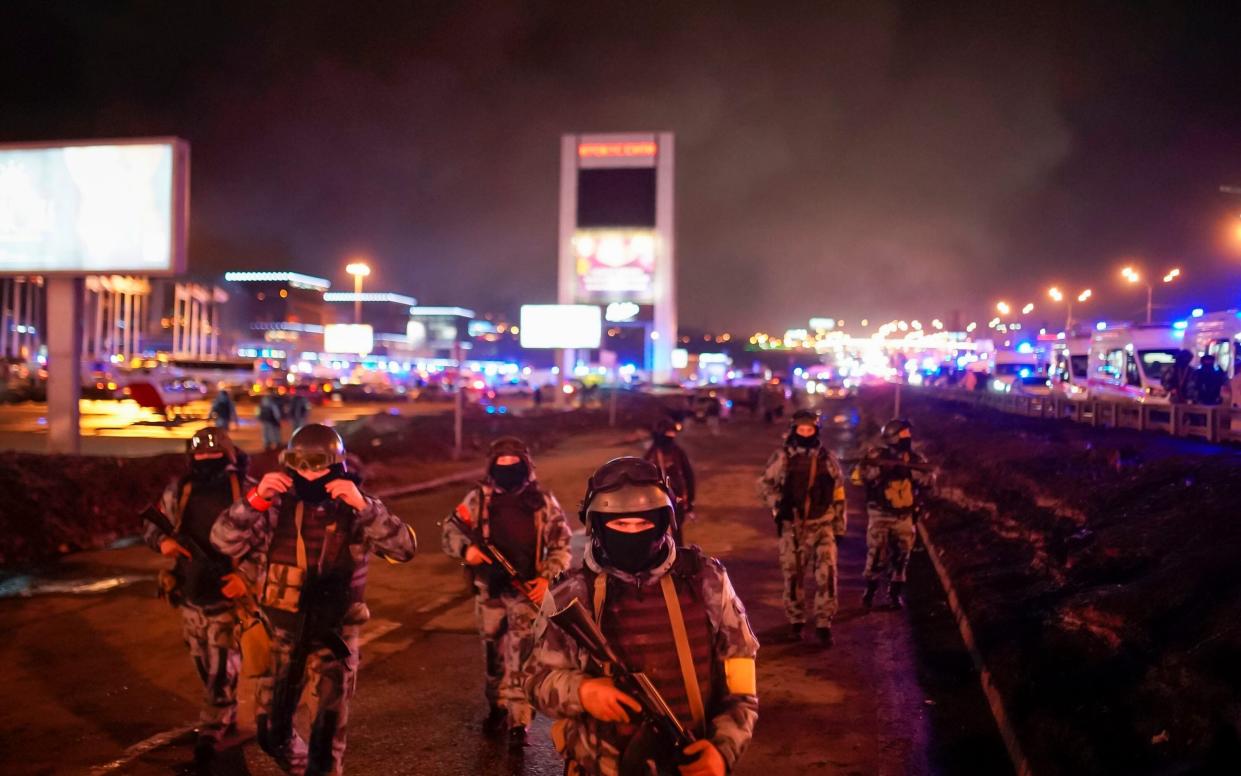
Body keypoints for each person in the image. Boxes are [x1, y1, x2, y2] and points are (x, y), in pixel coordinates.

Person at [525, 457, 759, 776]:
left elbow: (741, 678)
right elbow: (535, 680)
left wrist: (723, 750)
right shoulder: (571, 593)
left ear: (664, 522)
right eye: (620, 524)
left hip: (688, 762)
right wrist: (581, 691)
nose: (632, 533)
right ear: (597, 525)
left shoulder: (707, 581)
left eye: (643, 524)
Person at [212, 424, 416, 776]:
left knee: (326, 737)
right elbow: (223, 541)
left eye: (317, 465)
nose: (308, 474)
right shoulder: (275, 510)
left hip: (334, 636)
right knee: (270, 733)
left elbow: (404, 548)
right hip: (281, 633)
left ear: (335, 465)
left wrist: (363, 506)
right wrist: (254, 500)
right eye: (300, 465)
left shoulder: (356, 510)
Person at [440, 436, 571, 746]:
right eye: (502, 465)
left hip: (527, 593)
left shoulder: (542, 502)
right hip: (490, 591)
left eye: (515, 465)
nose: (509, 471)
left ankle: (518, 721)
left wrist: (546, 580)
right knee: (494, 657)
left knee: (522, 657)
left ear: (527, 466)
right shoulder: (478, 500)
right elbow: (450, 531)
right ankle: (496, 707)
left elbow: (561, 544)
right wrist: (466, 550)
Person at [144, 427, 254, 763]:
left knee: (222, 665)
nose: (206, 461)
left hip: (226, 594)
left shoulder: (247, 491)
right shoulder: (181, 490)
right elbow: (154, 524)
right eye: (200, 456)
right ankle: (223, 714)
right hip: (189, 592)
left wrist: (245, 577)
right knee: (202, 662)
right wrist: (162, 542)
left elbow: (266, 540)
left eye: (214, 455)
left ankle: (212, 728)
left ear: (229, 455)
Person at [757, 409, 846, 645]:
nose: (805, 433)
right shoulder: (783, 456)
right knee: (793, 576)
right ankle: (796, 621)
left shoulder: (827, 458)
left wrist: (840, 527)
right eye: (801, 430)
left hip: (822, 525)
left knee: (827, 575)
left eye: (810, 430)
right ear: (794, 430)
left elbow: (838, 493)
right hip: (793, 527)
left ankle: (824, 623)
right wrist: (778, 505)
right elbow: (765, 484)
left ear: (816, 431)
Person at [851, 419, 934, 610]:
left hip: (905, 515)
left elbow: (929, 481)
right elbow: (859, 476)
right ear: (892, 436)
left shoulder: (915, 458)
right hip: (880, 514)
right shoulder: (878, 455)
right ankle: (870, 591)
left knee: (902, 557)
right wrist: (881, 470)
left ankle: (894, 594)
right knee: (876, 555)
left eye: (908, 433)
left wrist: (911, 472)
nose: (908, 437)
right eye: (903, 434)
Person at [642, 417, 696, 546]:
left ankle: (678, 560)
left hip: (675, 499)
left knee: (676, 534)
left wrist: (690, 503)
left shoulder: (677, 452)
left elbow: (689, 476)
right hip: (655, 500)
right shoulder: (652, 453)